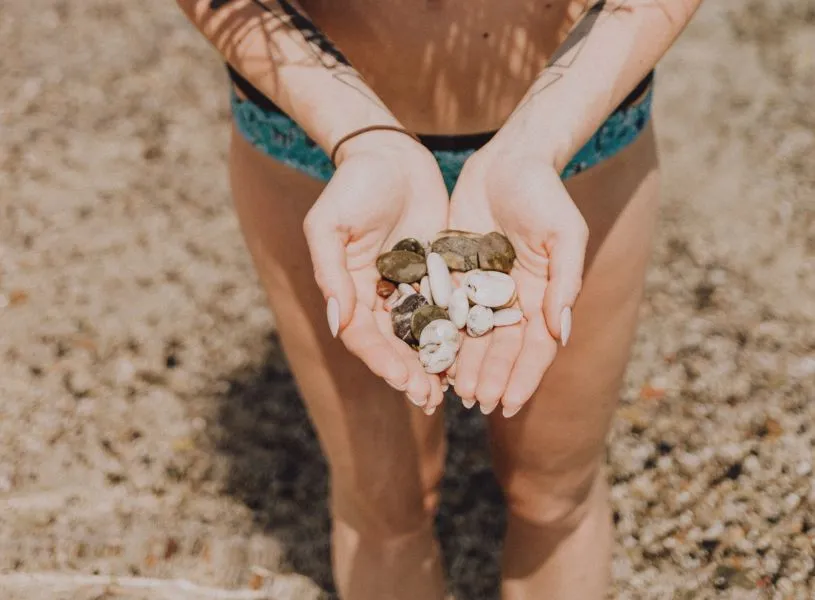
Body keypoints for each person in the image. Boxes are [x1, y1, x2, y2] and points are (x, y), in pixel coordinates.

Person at [176, 1, 702, 598]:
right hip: (314, 128)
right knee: (384, 504)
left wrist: (539, 138)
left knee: (554, 493)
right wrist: (362, 134)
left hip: (575, 120)